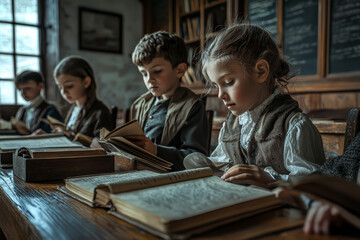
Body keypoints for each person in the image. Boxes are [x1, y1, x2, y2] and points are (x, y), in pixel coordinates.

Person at [184, 23, 325, 188]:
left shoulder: (292, 125)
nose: (220, 94)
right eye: (216, 86)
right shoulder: (232, 125)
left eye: (228, 82)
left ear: (260, 72)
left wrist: (270, 179)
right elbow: (222, 161)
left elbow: (312, 183)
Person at [127, 31, 209, 171]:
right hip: (139, 171)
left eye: (157, 71)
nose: (149, 79)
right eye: (144, 73)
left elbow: (197, 159)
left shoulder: (192, 107)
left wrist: (156, 150)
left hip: (171, 178)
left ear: (180, 70)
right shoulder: (140, 104)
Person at [53, 56, 112, 139]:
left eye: (69, 86)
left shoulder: (100, 112)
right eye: (60, 87)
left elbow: (102, 146)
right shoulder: (74, 109)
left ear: (86, 82)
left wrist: (69, 135)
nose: (63, 92)